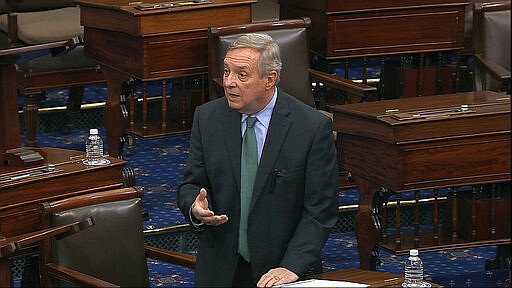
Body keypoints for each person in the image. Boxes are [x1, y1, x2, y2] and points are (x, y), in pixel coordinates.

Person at [178, 33, 338, 287]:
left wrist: (291, 266)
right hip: (220, 269)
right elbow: (190, 185)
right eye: (227, 72)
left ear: (269, 80)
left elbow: (320, 211)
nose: (229, 82)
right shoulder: (207, 118)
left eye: (242, 75)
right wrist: (195, 209)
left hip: (281, 270)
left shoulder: (311, 128)